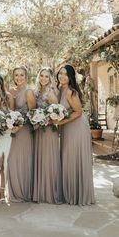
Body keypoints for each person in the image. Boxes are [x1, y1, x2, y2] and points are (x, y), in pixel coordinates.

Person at [54, 64, 95, 205]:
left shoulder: (71, 92)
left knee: (74, 158)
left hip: (77, 128)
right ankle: (70, 193)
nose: (62, 76)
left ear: (70, 77)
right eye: (60, 73)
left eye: (65, 74)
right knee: (68, 158)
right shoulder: (59, 90)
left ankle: (78, 195)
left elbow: (78, 112)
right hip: (67, 127)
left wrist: (60, 122)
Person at [33, 67, 62, 204]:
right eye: (41, 76)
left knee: (48, 159)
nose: (43, 78)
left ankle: (50, 193)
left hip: (49, 131)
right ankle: (41, 192)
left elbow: (58, 115)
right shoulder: (38, 92)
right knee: (41, 159)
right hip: (39, 131)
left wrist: (46, 120)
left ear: (50, 79)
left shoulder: (50, 93)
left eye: (46, 76)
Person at [7, 66, 36, 202]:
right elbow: (11, 111)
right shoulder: (11, 91)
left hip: (24, 131)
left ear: (26, 77)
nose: (19, 78)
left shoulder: (28, 92)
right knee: (12, 160)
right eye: (16, 75)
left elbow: (32, 114)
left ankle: (24, 192)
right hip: (13, 130)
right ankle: (15, 192)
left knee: (24, 160)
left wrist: (20, 125)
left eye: (22, 75)